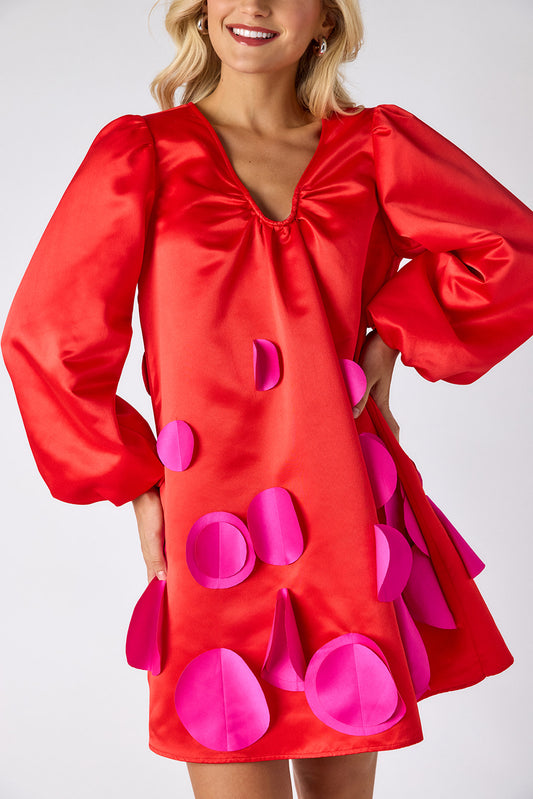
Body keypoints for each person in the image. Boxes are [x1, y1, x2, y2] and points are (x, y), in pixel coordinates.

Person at [2, 1, 533, 797]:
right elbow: (48, 335)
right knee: (228, 736)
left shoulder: (374, 146)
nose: (253, 5)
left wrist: (390, 337)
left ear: (324, 19)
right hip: (209, 515)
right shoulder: (143, 153)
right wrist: (136, 483)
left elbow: (512, 251)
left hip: (342, 496)